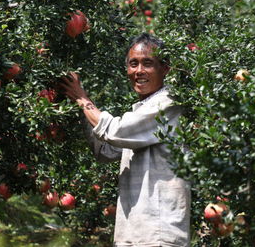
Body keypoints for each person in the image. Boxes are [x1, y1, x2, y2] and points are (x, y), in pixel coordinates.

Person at [60, 33, 191, 247]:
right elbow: (106, 151)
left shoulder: (169, 104)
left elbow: (115, 131)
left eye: (147, 63)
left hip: (159, 234)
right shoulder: (141, 112)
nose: (139, 71)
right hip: (133, 233)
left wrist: (81, 97)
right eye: (133, 64)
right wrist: (78, 106)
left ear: (164, 68)